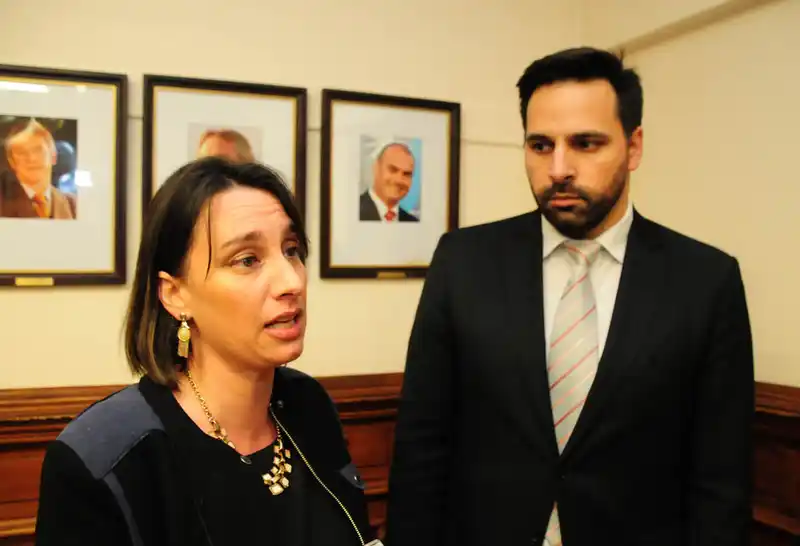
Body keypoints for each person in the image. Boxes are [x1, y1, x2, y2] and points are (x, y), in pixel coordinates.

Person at [385, 47, 754, 546]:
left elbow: (721, 479)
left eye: (585, 143)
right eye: (541, 145)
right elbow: (421, 444)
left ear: (634, 146)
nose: (559, 168)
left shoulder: (705, 281)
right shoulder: (464, 262)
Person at [35, 157, 375, 546]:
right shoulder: (105, 458)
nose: (291, 281)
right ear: (175, 294)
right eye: (247, 260)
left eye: (291, 250)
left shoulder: (308, 404)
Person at [0, 118, 76, 219]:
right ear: (12, 162)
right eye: (21, 152)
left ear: (53, 154)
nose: (31, 158)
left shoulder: (73, 205)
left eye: (37, 149)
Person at [359, 142, 418, 222]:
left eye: (406, 174)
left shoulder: (413, 221)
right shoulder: (351, 211)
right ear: (376, 168)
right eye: (393, 170)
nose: (398, 180)